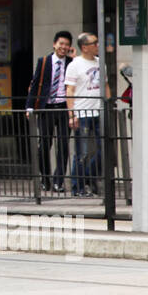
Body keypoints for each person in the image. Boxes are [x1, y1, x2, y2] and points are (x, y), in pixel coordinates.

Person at [26, 31, 73, 192]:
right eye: (61, 44)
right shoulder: (44, 61)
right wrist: (29, 106)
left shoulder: (71, 63)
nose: (63, 47)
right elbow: (35, 83)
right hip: (46, 108)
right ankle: (45, 178)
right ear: (54, 44)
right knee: (44, 144)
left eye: (66, 44)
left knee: (63, 145)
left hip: (64, 108)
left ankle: (58, 180)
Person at [65, 33, 105, 196]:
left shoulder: (100, 63)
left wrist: (108, 105)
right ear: (85, 47)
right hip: (82, 113)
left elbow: (106, 86)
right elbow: (70, 90)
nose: (98, 45)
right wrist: (71, 114)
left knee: (104, 149)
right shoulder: (75, 65)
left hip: (99, 112)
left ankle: (88, 176)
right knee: (81, 153)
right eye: (95, 43)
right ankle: (78, 187)